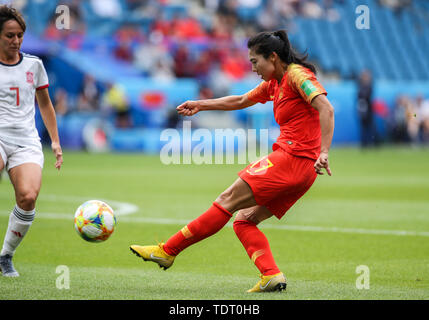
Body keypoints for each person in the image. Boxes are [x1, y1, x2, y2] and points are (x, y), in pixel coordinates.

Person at [130, 30, 335, 292]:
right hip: (301, 171)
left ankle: (167, 251)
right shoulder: (275, 82)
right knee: (243, 220)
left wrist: (325, 152)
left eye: (254, 61)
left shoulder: (298, 76)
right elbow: (240, 100)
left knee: (227, 199)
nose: (253, 68)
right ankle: (271, 275)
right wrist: (201, 105)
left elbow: (326, 108)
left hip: (292, 159)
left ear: (272, 57)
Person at [0, 5, 63, 277]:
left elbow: (46, 106)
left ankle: (5, 256)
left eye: (20, 36)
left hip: (26, 140)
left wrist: (56, 142)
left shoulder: (34, 65)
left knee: (27, 197)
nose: (16, 41)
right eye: (9, 36)